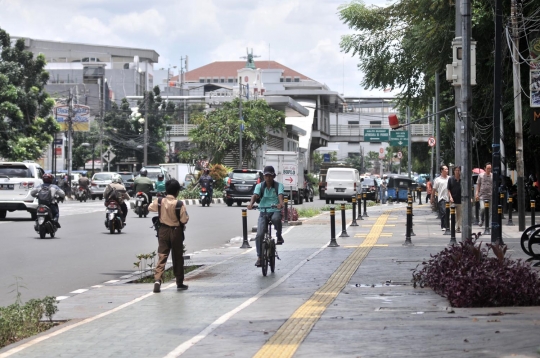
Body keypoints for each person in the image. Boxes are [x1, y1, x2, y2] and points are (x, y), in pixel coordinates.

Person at [149, 179, 189, 293]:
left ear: (166, 190)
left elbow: (150, 208)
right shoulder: (179, 204)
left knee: (162, 255)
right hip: (176, 231)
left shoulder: (160, 201)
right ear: (177, 192)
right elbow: (184, 219)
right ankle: (179, 282)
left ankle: (157, 279)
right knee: (177, 257)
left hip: (163, 230)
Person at [247, 166, 285, 267]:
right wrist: (251, 204)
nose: (268, 178)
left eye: (270, 176)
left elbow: (280, 195)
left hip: (274, 210)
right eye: (266, 175)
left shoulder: (278, 186)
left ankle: (279, 235)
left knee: (276, 219)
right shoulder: (260, 186)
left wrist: (280, 204)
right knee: (259, 234)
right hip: (263, 210)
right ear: (264, 176)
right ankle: (259, 257)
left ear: (274, 176)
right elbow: (255, 195)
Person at [431, 165, 449, 231]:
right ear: (442, 170)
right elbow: (434, 190)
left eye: (447, 169)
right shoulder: (437, 180)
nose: (447, 170)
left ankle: (447, 225)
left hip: (449, 198)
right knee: (443, 212)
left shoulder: (449, 178)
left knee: (448, 212)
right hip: (441, 198)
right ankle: (443, 226)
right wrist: (432, 198)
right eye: (445, 169)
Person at [475, 162, 493, 227]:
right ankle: (481, 220)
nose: (489, 170)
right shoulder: (481, 175)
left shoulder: (492, 176)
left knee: (490, 211)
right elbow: (478, 185)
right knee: (482, 208)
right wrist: (476, 194)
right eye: (488, 168)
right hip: (482, 195)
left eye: (490, 168)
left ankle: (490, 223)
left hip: (490, 195)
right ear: (485, 168)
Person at [447, 167, 462, 233]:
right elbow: (448, 189)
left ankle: (458, 228)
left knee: (459, 215)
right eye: (456, 170)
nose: (457, 172)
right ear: (454, 171)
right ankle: (452, 227)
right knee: (453, 214)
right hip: (453, 200)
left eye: (459, 170)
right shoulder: (451, 179)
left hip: (460, 200)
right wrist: (450, 197)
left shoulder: (462, 179)